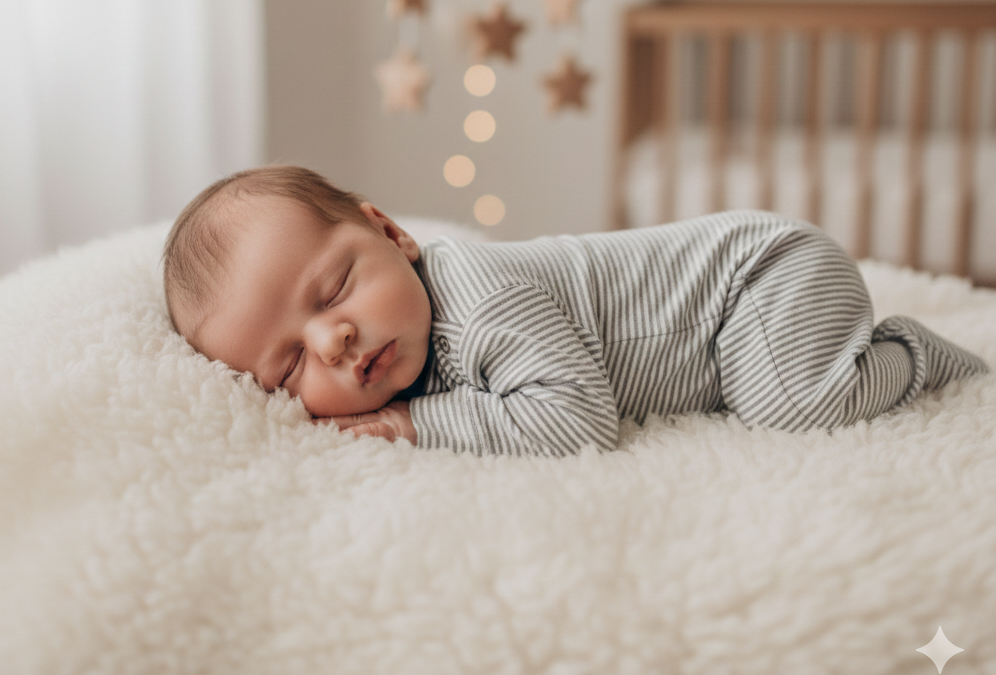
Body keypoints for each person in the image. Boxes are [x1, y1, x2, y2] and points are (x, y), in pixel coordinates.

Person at [162, 165, 989, 457]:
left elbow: (578, 418)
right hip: (743, 301)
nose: (333, 340)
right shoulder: (405, 334)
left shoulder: (479, 302)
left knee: (790, 405)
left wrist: (422, 427)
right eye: (290, 365)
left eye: (335, 289)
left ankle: (915, 354)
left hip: (763, 278)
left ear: (392, 232)